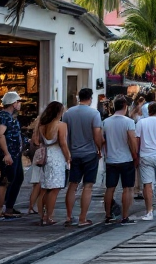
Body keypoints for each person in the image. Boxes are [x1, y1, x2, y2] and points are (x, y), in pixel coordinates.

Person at [62, 87, 104, 227]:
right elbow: (97, 134)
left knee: (72, 185)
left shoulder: (68, 113)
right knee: (88, 186)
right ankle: (82, 218)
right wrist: (99, 148)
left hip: (74, 153)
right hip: (89, 153)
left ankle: (68, 216)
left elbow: (64, 134)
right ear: (90, 98)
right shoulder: (94, 113)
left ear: (78, 97)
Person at [103, 96, 138, 224]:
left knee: (110, 188)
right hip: (126, 158)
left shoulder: (106, 122)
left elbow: (103, 140)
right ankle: (125, 216)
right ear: (125, 106)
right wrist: (135, 154)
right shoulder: (128, 122)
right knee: (127, 188)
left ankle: (108, 215)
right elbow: (132, 140)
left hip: (111, 159)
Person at [35, 101, 69, 226]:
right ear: (58, 112)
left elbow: (37, 141)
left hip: (46, 156)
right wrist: (68, 157)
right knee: (54, 189)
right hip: (57, 156)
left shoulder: (42, 125)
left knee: (45, 188)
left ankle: (43, 215)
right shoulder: (61, 125)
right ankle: (49, 216)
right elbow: (63, 143)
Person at [0, 91, 25, 221]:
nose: (20, 105)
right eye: (18, 102)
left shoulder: (9, 116)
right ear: (13, 103)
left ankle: (9, 208)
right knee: (5, 181)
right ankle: (0, 211)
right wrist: (6, 153)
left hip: (15, 153)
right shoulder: (3, 117)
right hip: (8, 154)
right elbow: (0, 134)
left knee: (17, 178)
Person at [25, 118, 44, 216]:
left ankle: (32, 207)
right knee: (38, 185)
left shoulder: (36, 131)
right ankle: (32, 207)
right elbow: (37, 144)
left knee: (37, 185)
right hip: (39, 159)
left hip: (36, 158)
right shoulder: (40, 131)